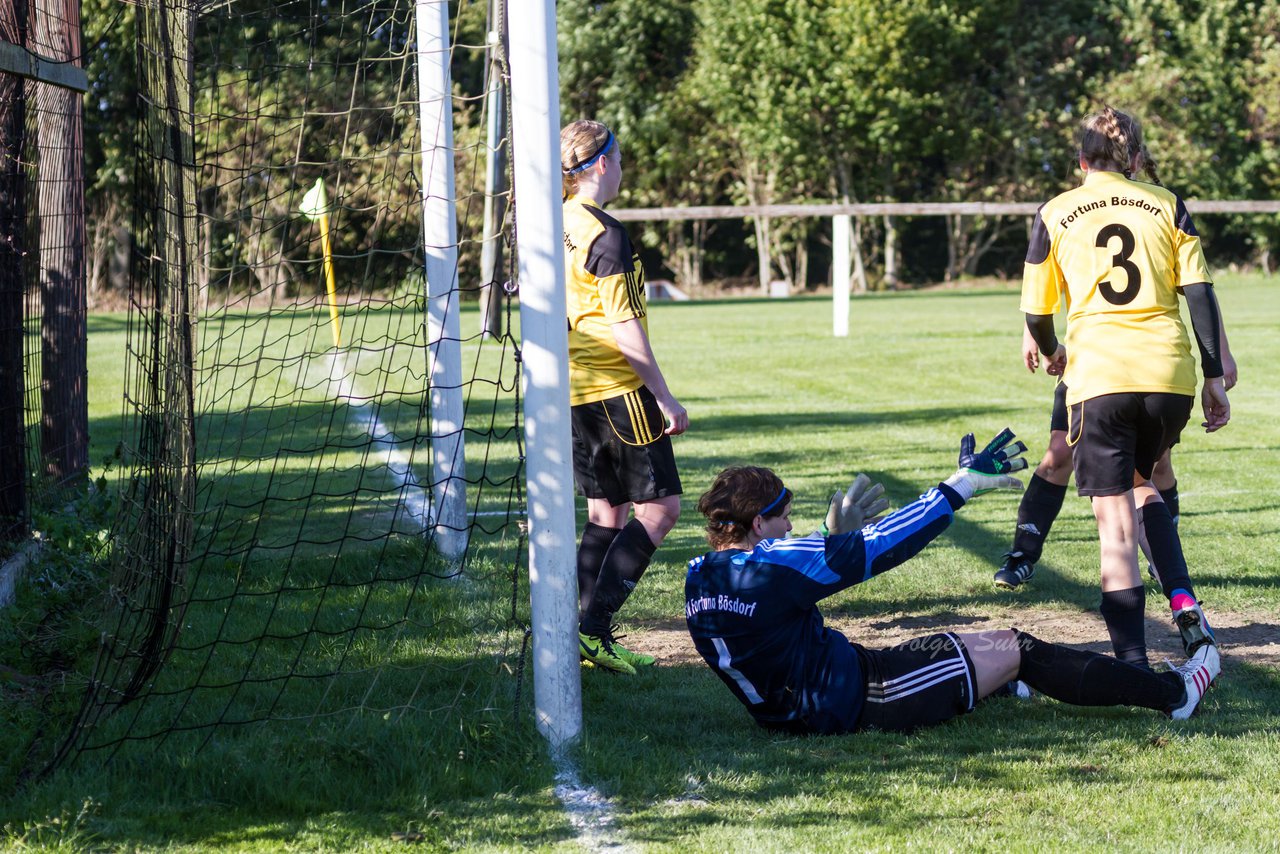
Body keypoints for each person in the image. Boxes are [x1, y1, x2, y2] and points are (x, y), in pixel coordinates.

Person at [684, 430, 1219, 736]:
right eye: (784, 519)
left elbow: (772, 599)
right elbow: (886, 544)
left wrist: (827, 539)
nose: (790, 528)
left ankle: (1002, 684)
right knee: (1016, 646)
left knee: (965, 652)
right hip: (857, 697)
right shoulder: (777, 564)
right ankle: (1173, 694)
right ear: (759, 525)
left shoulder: (698, 579)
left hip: (801, 697)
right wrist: (962, 484)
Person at [1020, 106, 1230, 667]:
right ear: (1134, 158)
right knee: (1145, 485)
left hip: (1102, 378)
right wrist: (1215, 377)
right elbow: (1201, 295)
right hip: (1169, 377)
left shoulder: (1056, 212)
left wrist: (1050, 348)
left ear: (1080, 159)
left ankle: (1133, 665)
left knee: (1114, 525)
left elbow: (1036, 313)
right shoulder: (1166, 203)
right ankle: (1184, 602)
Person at [561, 119, 688, 675]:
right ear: (606, 163)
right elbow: (625, 328)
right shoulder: (606, 234)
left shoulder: (556, 221)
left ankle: (579, 636)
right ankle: (591, 632)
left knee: (604, 512)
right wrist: (664, 397)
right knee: (660, 509)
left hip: (573, 391)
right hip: (616, 389)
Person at [995, 324, 1236, 590]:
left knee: (1157, 465)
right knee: (1059, 452)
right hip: (1089, 366)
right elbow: (1040, 289)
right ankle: (1022, 555)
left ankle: (1164, 561)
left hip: (1152, 363)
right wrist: (1033, 333)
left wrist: (1220, 355)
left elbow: (1201, 290)